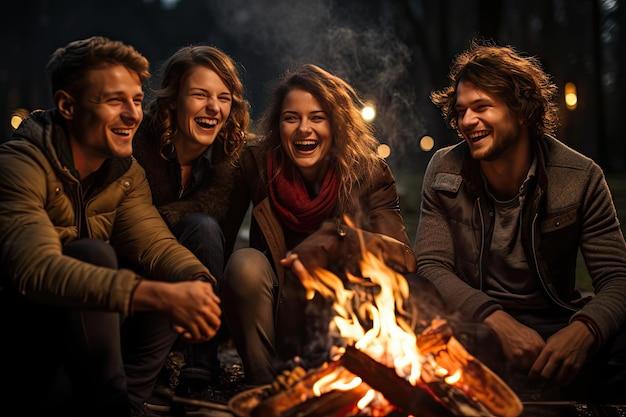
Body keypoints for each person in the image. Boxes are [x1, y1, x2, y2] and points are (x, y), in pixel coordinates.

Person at [0, 36, 222, 417]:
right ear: (68, 105)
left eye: (136, 100)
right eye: (115, 101)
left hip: (91, 345)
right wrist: (159, 296)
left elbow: (155, 244)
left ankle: (127, 402)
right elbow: (34, 270)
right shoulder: (19, 165)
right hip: (26, 346)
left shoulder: (123, 172)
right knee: (93, 254)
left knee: (172, 274)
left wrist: (198, 286)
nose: (133, 115)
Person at [415, 39, 626, 403]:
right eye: (462, 110)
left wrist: (584, 331)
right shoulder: (444, 167)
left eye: (482, 107)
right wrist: (496, 320)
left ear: (522, 111)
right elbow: (431, 265)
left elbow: (618, 278)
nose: (467, 121)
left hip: (555, 322)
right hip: (473, 325)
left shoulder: (579, 175)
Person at [221, 63, 419, 387]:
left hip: (339, 315)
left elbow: (404, 257)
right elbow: (222, 240)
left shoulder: (369, 173)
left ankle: (335, 382)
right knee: (244, 263)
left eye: (317, 117)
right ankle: (262, 387)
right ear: (278, 124)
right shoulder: (257, 165)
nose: (303, 129)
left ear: (337, 123)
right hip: (275, 313)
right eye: (291, 118)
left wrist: (338, 238)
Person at [133, 45, 250, 393]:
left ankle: (201, 366)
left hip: (198, 300)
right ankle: (143, 361)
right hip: (134, 286)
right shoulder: (136, 145)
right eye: (200, 95)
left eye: (224, 98)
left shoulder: (230, 163)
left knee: (203, 226)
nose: (213, 107)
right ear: (173, 99)